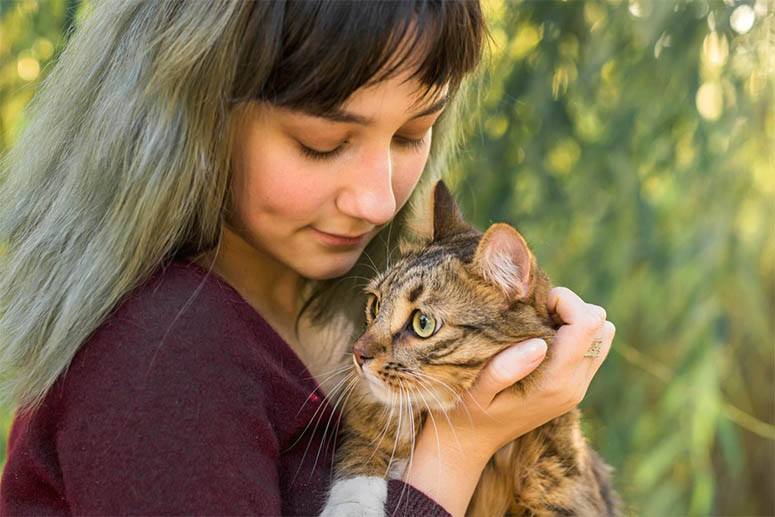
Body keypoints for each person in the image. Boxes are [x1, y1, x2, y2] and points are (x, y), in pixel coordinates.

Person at [0, 1, 615, 516]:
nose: (378, 201)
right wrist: (464, 448)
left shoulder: (336, 299)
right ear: (192, 118)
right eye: (320, 144)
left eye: (411, 135)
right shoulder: (159, 353)